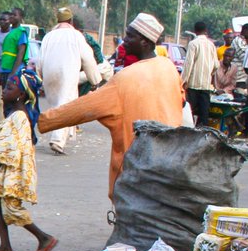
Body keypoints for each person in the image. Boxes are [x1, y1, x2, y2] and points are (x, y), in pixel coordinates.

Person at [38, 13, 185, 200]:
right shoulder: (168, 67)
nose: (124, 40)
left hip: (134, 169)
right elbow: (182, 98)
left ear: (145, 42)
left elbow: (83, 108)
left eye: (130, 36)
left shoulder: (125, 79)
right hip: (168, 162)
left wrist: (44, 121)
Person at [0, 69, 57, 251]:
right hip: (10, 166)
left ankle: (44, 238)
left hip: (12, 168)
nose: (4, 91)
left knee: (11, 206)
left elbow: (8, 149)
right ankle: (5, 246)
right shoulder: (16, 114)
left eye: (10, 88)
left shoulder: (19, 116)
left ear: (21, 94)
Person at [39, 6, 99, 155]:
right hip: (67, 74)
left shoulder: (48, 37)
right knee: (65, 105)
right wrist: (94, 80)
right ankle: (57, 140)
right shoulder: (76, 36)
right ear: (71, 20)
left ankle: (62, 134)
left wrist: (40, 77)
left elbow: (40, 60)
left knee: (58, 105)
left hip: (49, 74)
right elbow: (88, 59)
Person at [181, 20, 219, 127]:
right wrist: (209, 74)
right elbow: (216, 65)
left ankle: (189, 132)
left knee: (190, 112)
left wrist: (183, 81)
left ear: (195, 31)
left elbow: (188, 64)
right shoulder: (211, 45)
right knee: (204, 114)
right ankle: (202, 133)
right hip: (205, 85)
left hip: (193, 85)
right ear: (206, 31)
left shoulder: (193, 44)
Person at [0, 7, 30, 84]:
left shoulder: (21, 32)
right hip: (6, 69)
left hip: (15, 71)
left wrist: (13, 73)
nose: (12, 16)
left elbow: (21, 53)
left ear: (20, 17)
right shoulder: (9, 31)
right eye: (11, 14)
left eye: (15, 15)